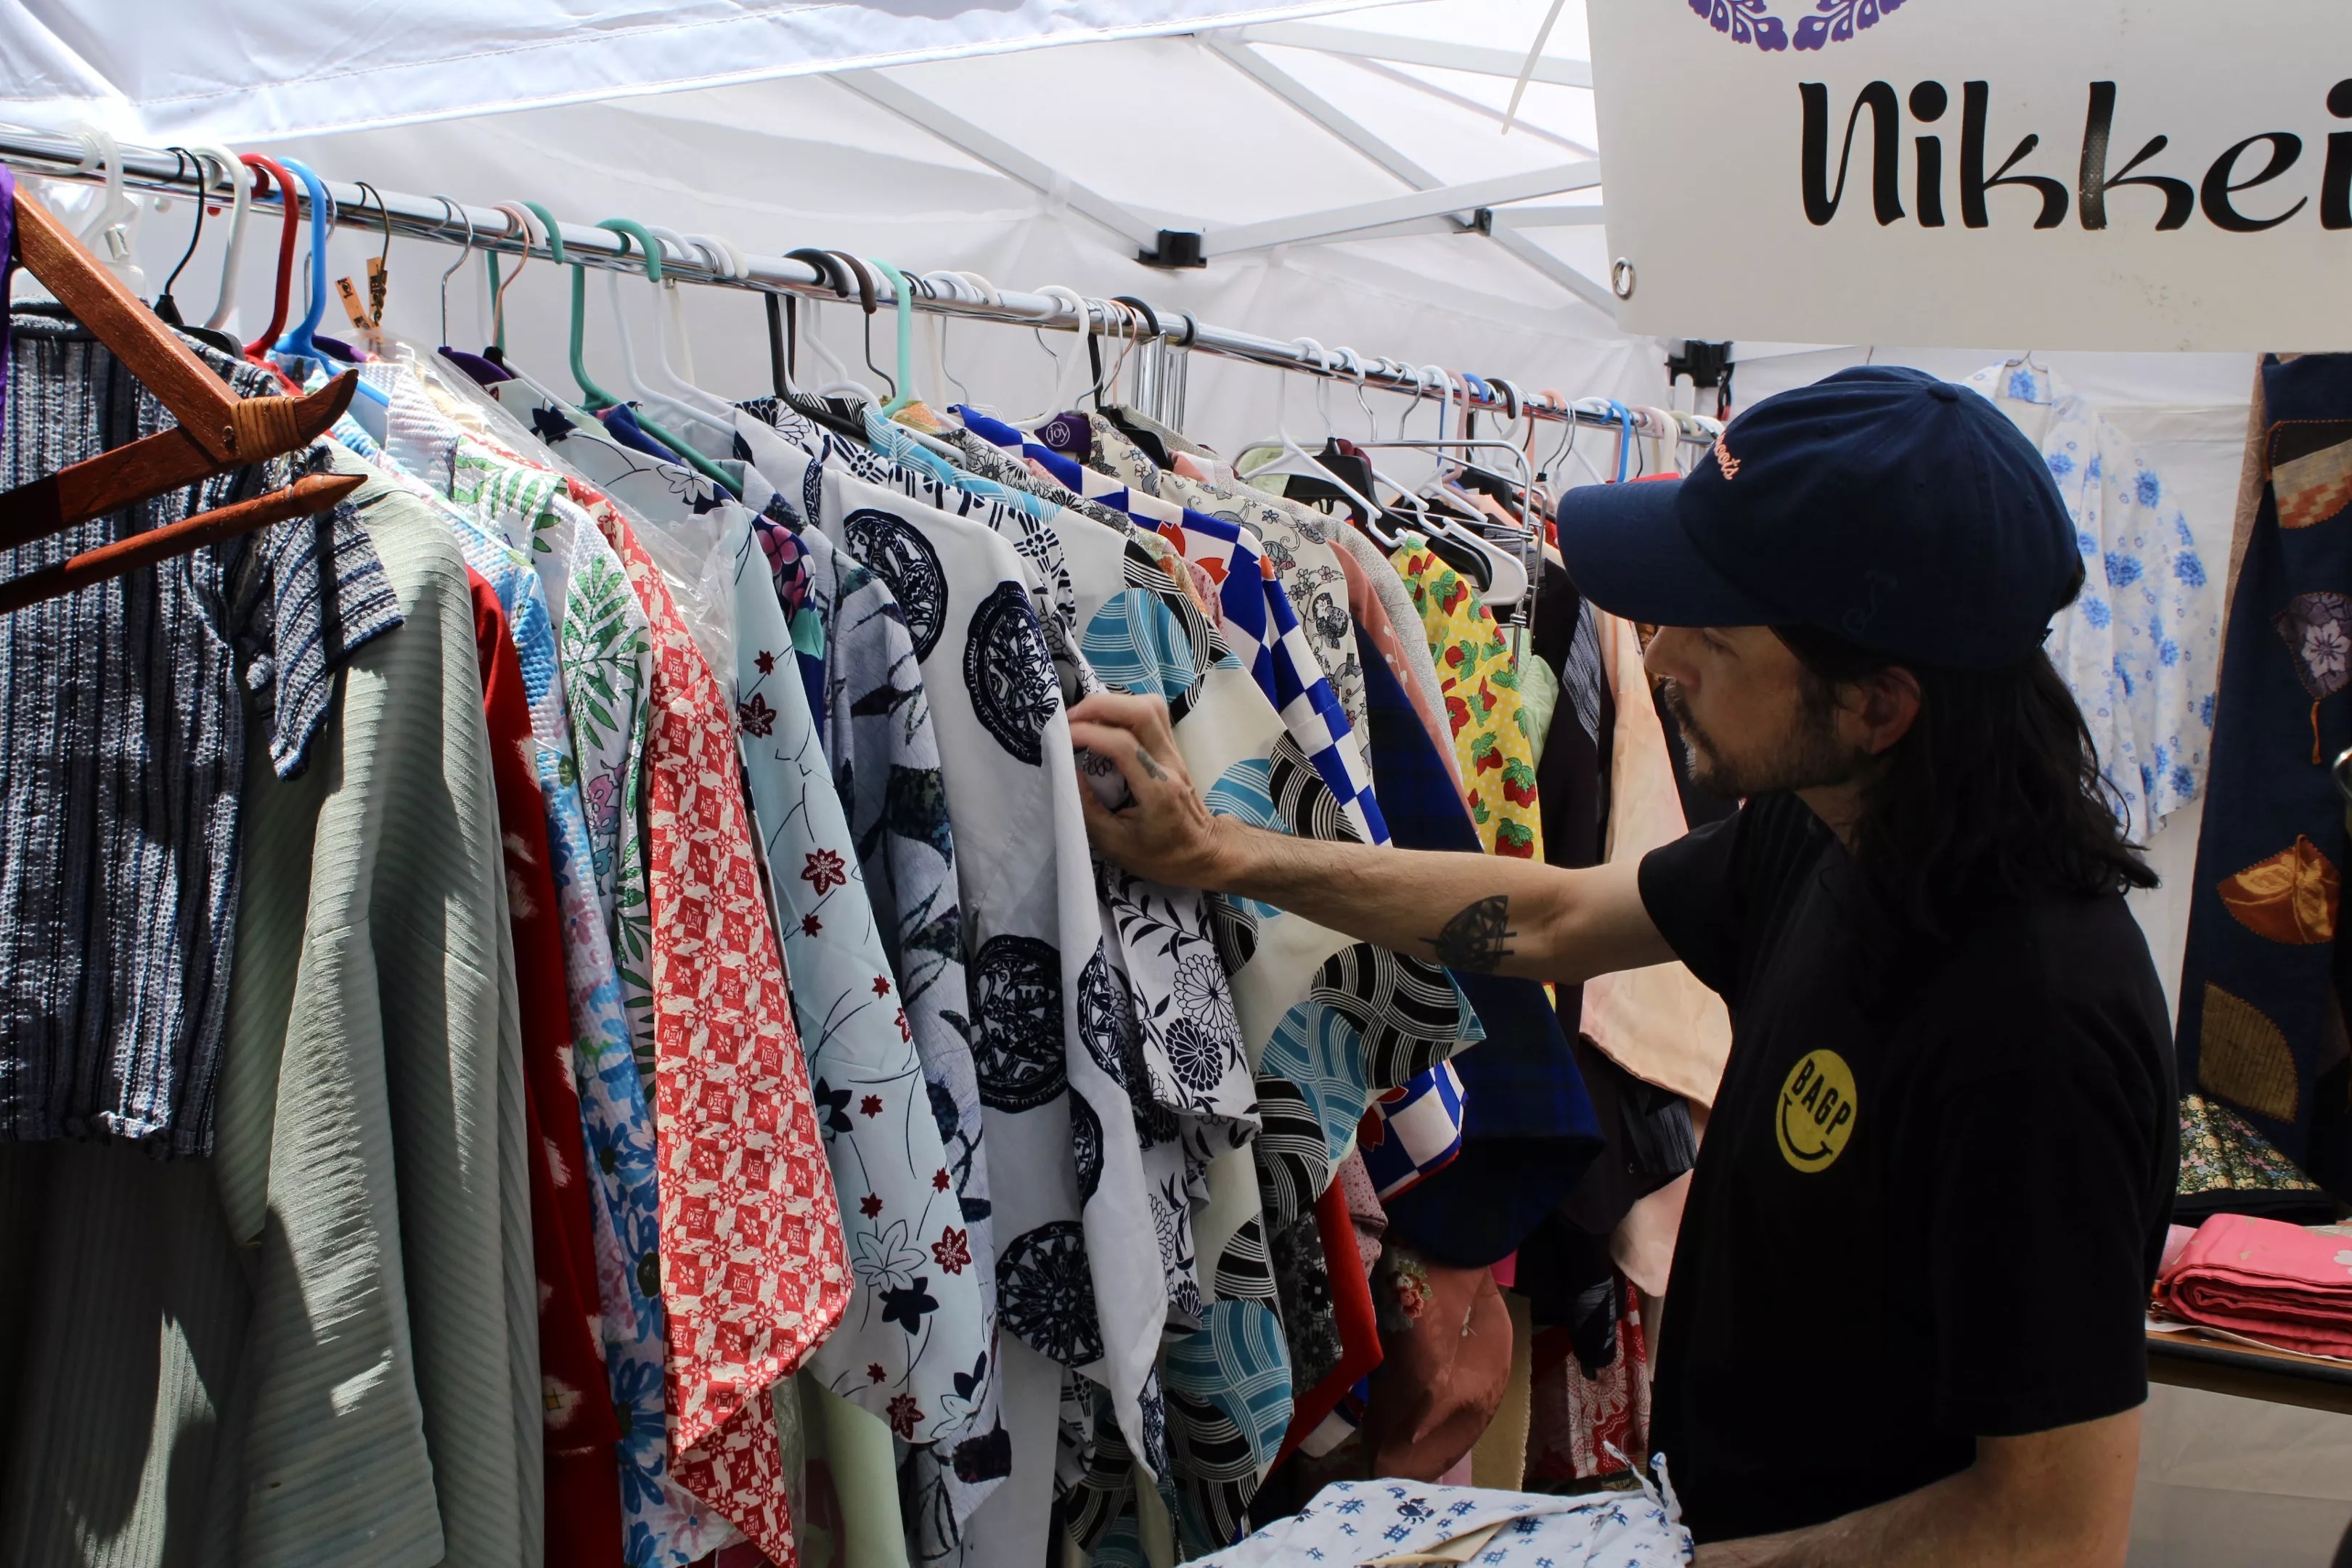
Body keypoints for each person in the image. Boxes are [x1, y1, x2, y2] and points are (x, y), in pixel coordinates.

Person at [1069, 367, 2174, 1568]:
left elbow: (2050, 1532)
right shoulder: (1834, 829)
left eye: (1713, 631)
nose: (1660, 659)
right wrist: (1222, 852)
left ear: (1879, 704)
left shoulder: (2037, 1025)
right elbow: (1548, 918)